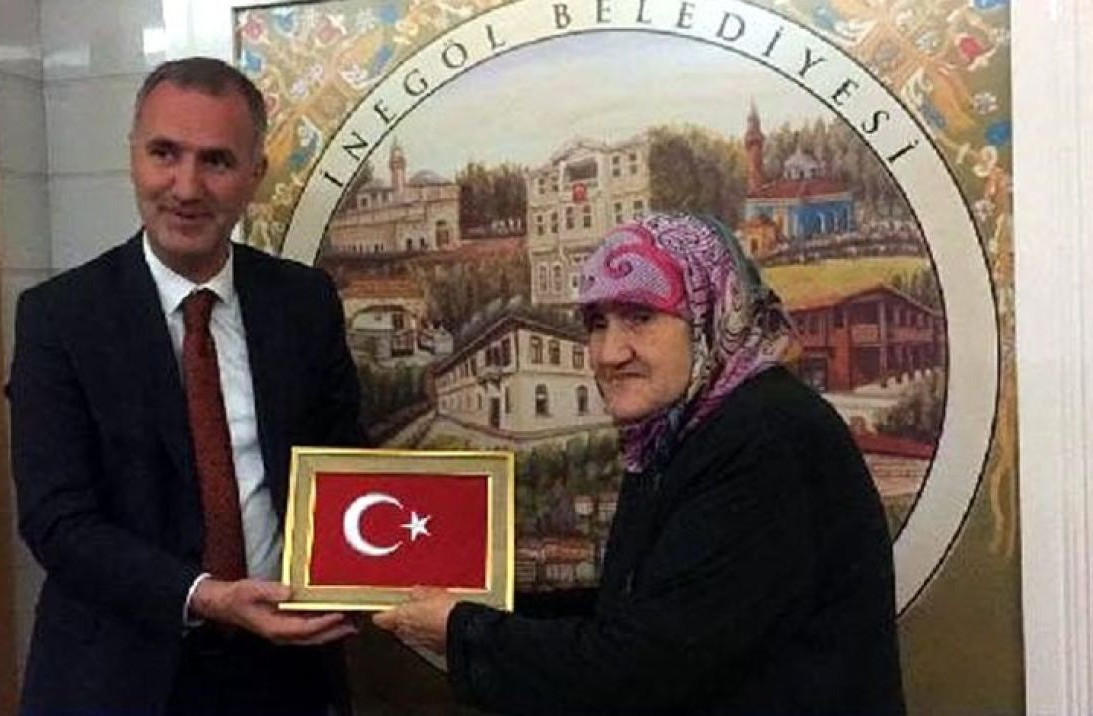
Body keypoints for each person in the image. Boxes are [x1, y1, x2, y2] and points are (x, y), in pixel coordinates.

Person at [375, 212, 905, 715]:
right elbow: (640, 607)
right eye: (596, 323)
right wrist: (481, 605)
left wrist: (462, 629)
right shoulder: (683, 427)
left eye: (640, 317)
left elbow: (641, 669)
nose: (609, 353)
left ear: (711, 310)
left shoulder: (764, 437)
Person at [9, 57, 364, 716]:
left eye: (217, 161)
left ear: (255, 174)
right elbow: (57, 520)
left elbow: (349, 468)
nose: (186, 186)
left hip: (286, 672)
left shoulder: (304, 303)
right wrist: (207, 595)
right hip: (119, 678)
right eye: (165, 153)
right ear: (133, 156)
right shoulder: (59, 318)